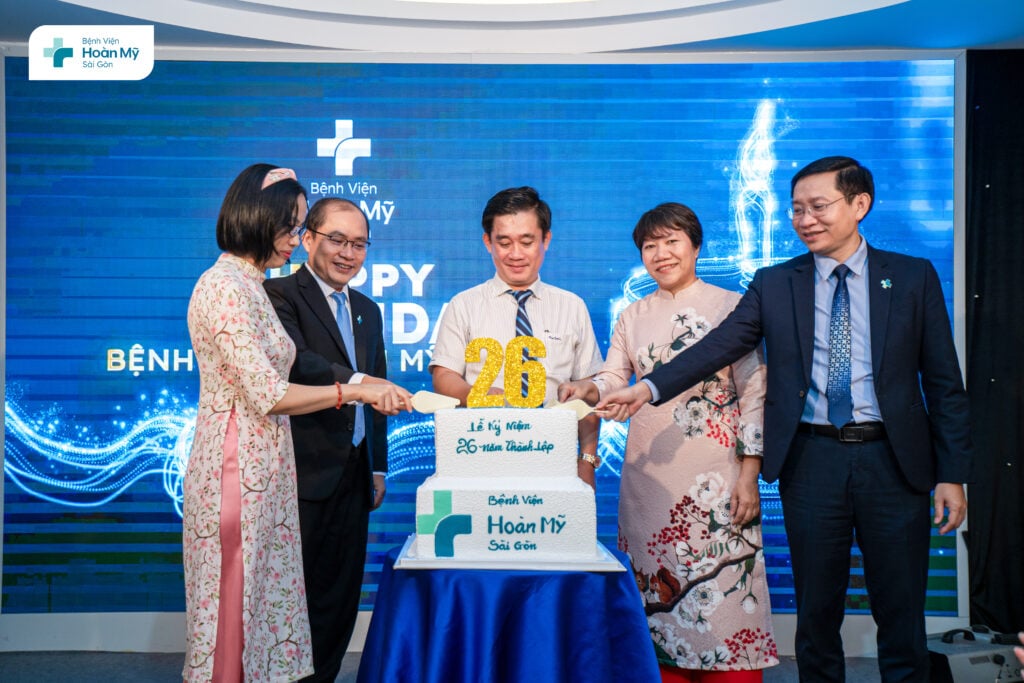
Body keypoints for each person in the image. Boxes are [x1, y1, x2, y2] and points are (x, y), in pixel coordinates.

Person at [597, 156, 971, 682]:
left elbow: (944, 382)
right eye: (797, 209)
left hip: (894, 461)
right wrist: (647, 387)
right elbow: (720, 345)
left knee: (902, 610)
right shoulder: (775, 283)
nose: (805, 219)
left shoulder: (911, 277)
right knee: (816, 614)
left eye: (818, 206)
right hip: (810, 461)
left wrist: (951, 473)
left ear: (859, 204)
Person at [183, 164, 411, 683]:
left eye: (297, 225)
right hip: (240, 473)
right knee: (234, 618)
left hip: (271, 473)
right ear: (257, 218)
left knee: (270, 621)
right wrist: (355, 389)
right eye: (291, 227)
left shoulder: (249, 284)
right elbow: (270, 391)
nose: (293, 237)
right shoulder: (228, 287)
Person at [559, 203, 778, 682]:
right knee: (655, 610)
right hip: (649, 485)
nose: (661, 253)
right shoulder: (632, 315)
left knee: (724, 606)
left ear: (696, 246)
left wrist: (749, 473)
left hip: (718, 481)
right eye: (650, 245)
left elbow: (755, 393)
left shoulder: (734, 307)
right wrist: (586, 389)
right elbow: (613, 376)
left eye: (672, 241)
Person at [264, 197, 400, 682]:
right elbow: (299, 363)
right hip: (300, 473)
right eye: (337, 240)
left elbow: (378, 390)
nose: (348, 253)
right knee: (294, 598)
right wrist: (359, 384)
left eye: (359, 244)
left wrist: (377, 466)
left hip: (355, 474)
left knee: (340, 599)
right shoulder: (277, 295)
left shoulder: (367, 309)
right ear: (307, 239)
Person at [429, 186, 604, 486]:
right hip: (481, 457)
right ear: (488, 242)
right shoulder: (464, 305)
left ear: (545, 239)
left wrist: (587, 460)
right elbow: (444, 376)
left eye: (526, 241)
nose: (516, 254)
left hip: (556, 460)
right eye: (504, 242)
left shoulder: (572, 306)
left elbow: (588, 393)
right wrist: (478, 395)